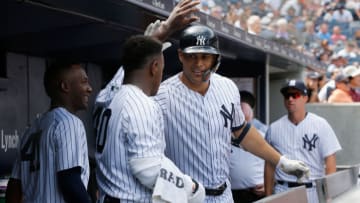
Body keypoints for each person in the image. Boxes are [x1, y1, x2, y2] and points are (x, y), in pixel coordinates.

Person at [153, 24, 310, 202]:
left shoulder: (227, 87)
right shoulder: (162, 95)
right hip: (186, 197)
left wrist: (281, 161)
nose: (199, 64)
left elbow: (242, 132)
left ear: (215, 59)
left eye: (205, 56)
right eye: (192, 56)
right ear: (181, 56)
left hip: (225, 195)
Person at [94, 35, 205, 203]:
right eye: (161, 68)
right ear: (154, 67)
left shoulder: (109, 97)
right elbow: (147, 168)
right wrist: (190, 187)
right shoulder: (141, 103)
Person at [6, 61, 93, 203]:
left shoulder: (31, 129)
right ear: (65, 86)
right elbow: (70, 181)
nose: (89, 88)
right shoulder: (68, 123)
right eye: (84, 82)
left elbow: (15, 185)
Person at [264, 79, 342, 203]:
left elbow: (330, 161)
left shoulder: (320, 124)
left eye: (295, 95)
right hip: (282, 190)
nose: (290, 99)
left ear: (305, 98)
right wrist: (267, 197)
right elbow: (269, 164)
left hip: (312, 190)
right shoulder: (274, 128)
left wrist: (328, 195)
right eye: (287, 95)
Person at [230, 91, 268, 203]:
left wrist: (269, 184)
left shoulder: (264, 132)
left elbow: (275, 162)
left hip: (256, 193)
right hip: (230, 194)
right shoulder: (223, 133)